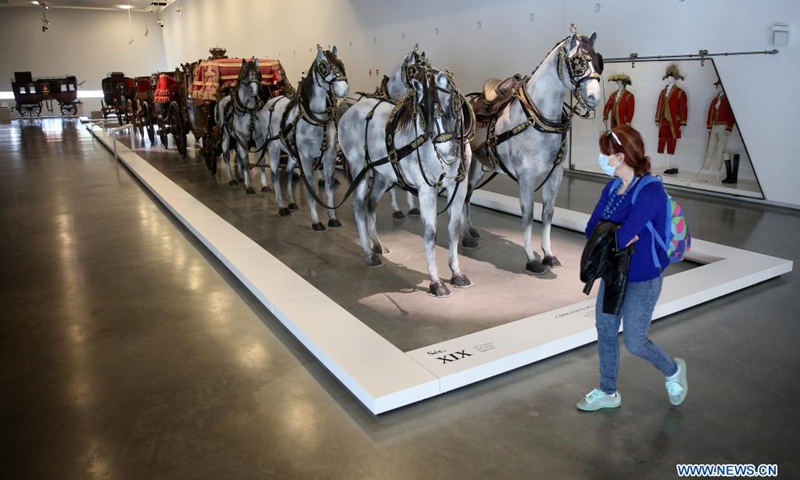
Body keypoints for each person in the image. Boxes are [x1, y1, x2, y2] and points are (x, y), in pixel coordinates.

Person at [578, 125, 688, 412]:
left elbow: (620, 236)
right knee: (605, 331)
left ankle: (673, 370)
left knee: (636, 342)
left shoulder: (651, 190)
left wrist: (613, 232)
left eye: (606, 153)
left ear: (621, 155)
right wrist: (616, 233)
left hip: (643, 277)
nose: (602, 159)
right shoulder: (612, 187)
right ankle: (608, 391)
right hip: (613, 273)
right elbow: (591, 229)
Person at [654, 65, 688, 174]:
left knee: (672, 141)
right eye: (668, 77)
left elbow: (683, 108)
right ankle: (665, 164)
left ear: (675, 78)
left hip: (674, 121)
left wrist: (683, 122)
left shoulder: (680, 92)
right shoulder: (662, 92)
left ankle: (670, 165)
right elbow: (659, 105)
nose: (669, 78)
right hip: (663, 120)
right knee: (662, 139)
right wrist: (657, 119)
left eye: (672, 77)